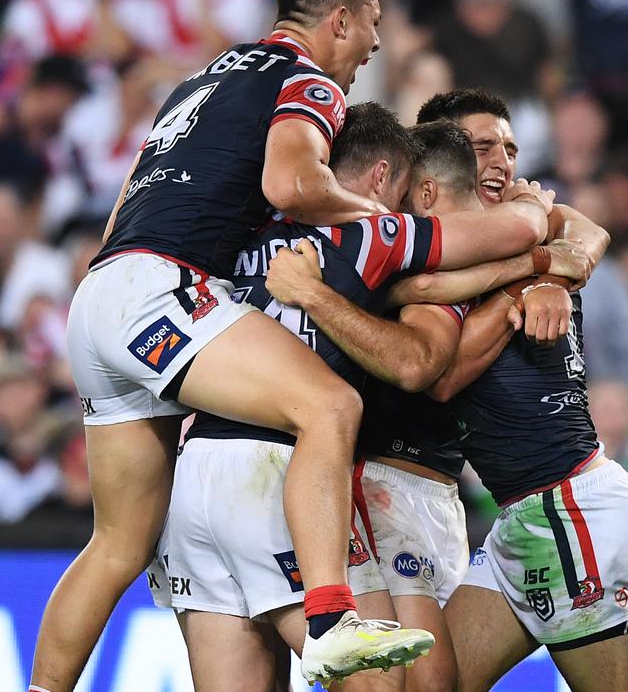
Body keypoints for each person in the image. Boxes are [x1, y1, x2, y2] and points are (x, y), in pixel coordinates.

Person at [29, 0, 430, 692]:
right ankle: (332, 620)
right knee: (330, 405)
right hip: (160, 289)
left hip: (101, 294)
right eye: (368, 32)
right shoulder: (305, 78)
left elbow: (127, 206)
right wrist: (371, 214)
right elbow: (291, 181)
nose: (369, 53)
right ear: (338, 21)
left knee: (117, 543)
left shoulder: (201, 80)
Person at [148, 107, 563, 690]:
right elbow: (505, 243)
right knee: (383, 685)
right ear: (379, 177)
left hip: (194, 479)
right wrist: (539, 235)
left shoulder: (245, 235)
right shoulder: (371, 233)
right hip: (279, 472)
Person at [408, 89, 628, 692]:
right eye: (482, 146)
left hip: (569, 506)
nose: (502, 162)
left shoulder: (526, 230)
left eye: (509, 149)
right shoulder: (508, 240)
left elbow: (440, 378)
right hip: (522, 516)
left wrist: (547, 273)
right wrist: (537, 274)